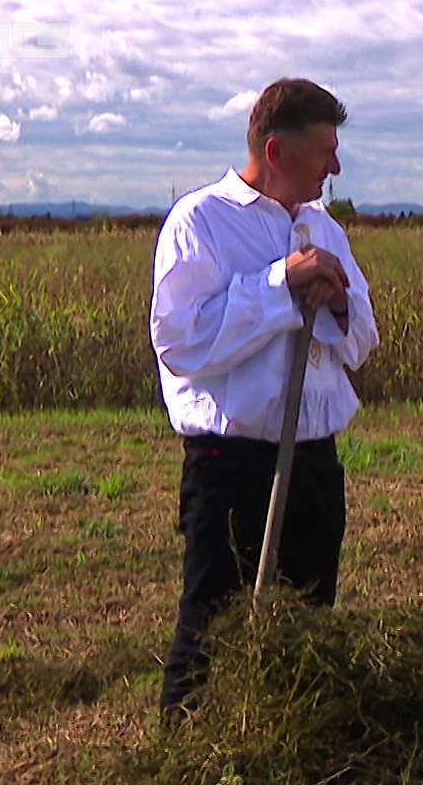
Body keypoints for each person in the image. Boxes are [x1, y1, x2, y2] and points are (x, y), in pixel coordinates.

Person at [149, 77, 379, 721]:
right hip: (232, 466)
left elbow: (361, 341)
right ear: (276, 153)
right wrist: (281, 284)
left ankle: (291, 773)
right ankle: (183, 780)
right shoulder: (201, 222)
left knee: (308, 628)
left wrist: (334, 299)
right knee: (213, 630)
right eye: (323, 152)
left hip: (313, 466)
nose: (334, 167)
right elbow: (182, 342)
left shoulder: (324, 227)